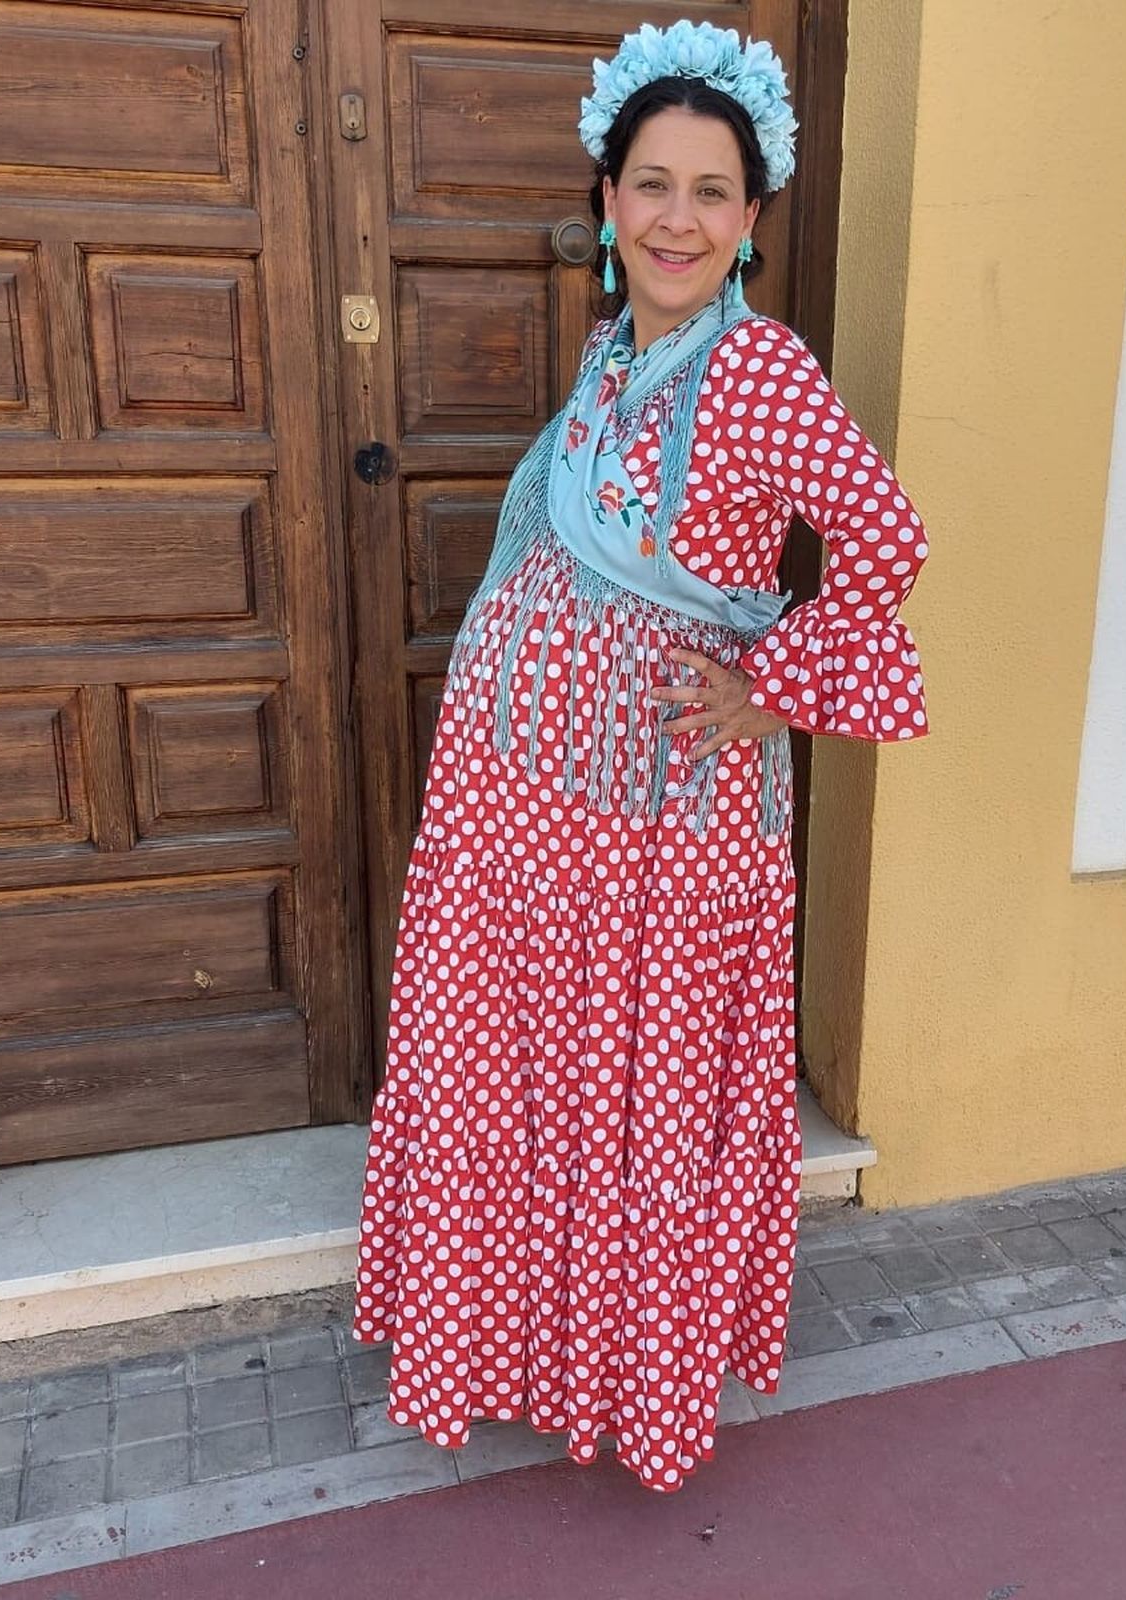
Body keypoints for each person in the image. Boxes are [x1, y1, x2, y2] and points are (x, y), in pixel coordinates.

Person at [350, 19, 929, 1494]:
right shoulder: (618, 351)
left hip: (666, 813)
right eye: (650, 184)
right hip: (528, 800)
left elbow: (886, 537)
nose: (677, 217)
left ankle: (635, 1380)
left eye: (712, 192)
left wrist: (773, 688)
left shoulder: (760, 372)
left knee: (641, 1084)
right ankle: (525, 1344)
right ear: (608, 205)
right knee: (533, 1069)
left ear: (752, 217)